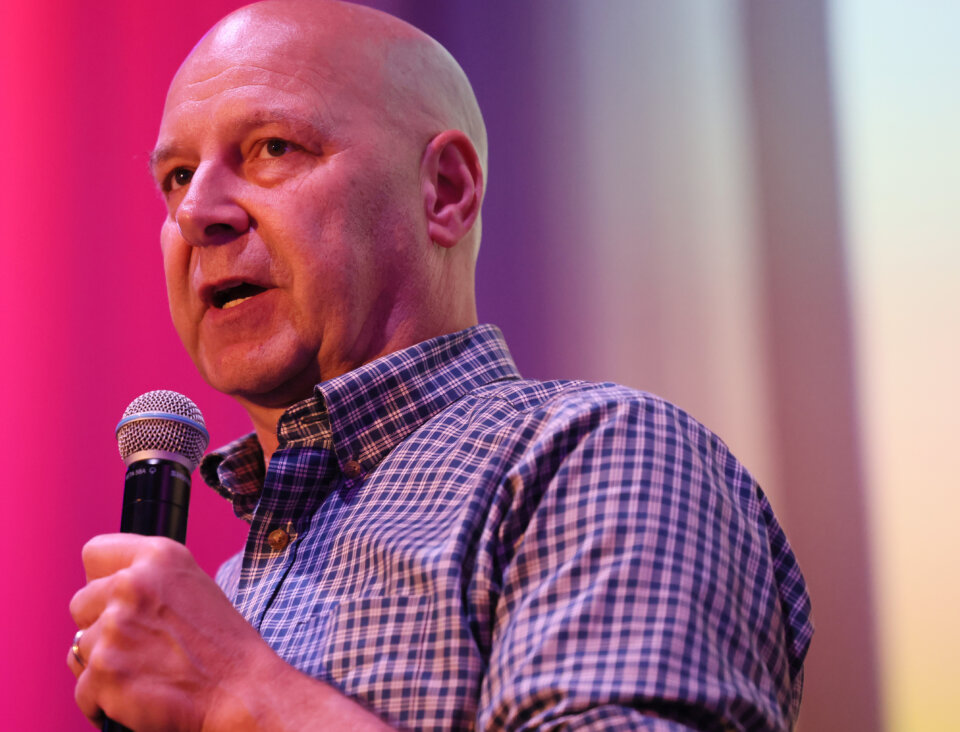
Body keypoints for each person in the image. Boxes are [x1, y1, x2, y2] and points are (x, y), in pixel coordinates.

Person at [67, 1, 813, 730]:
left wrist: (239, 693)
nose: (198, 213)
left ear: (445, 192)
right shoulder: (225, 594)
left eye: (272, 148)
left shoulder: (598, 455)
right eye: (176, 177)